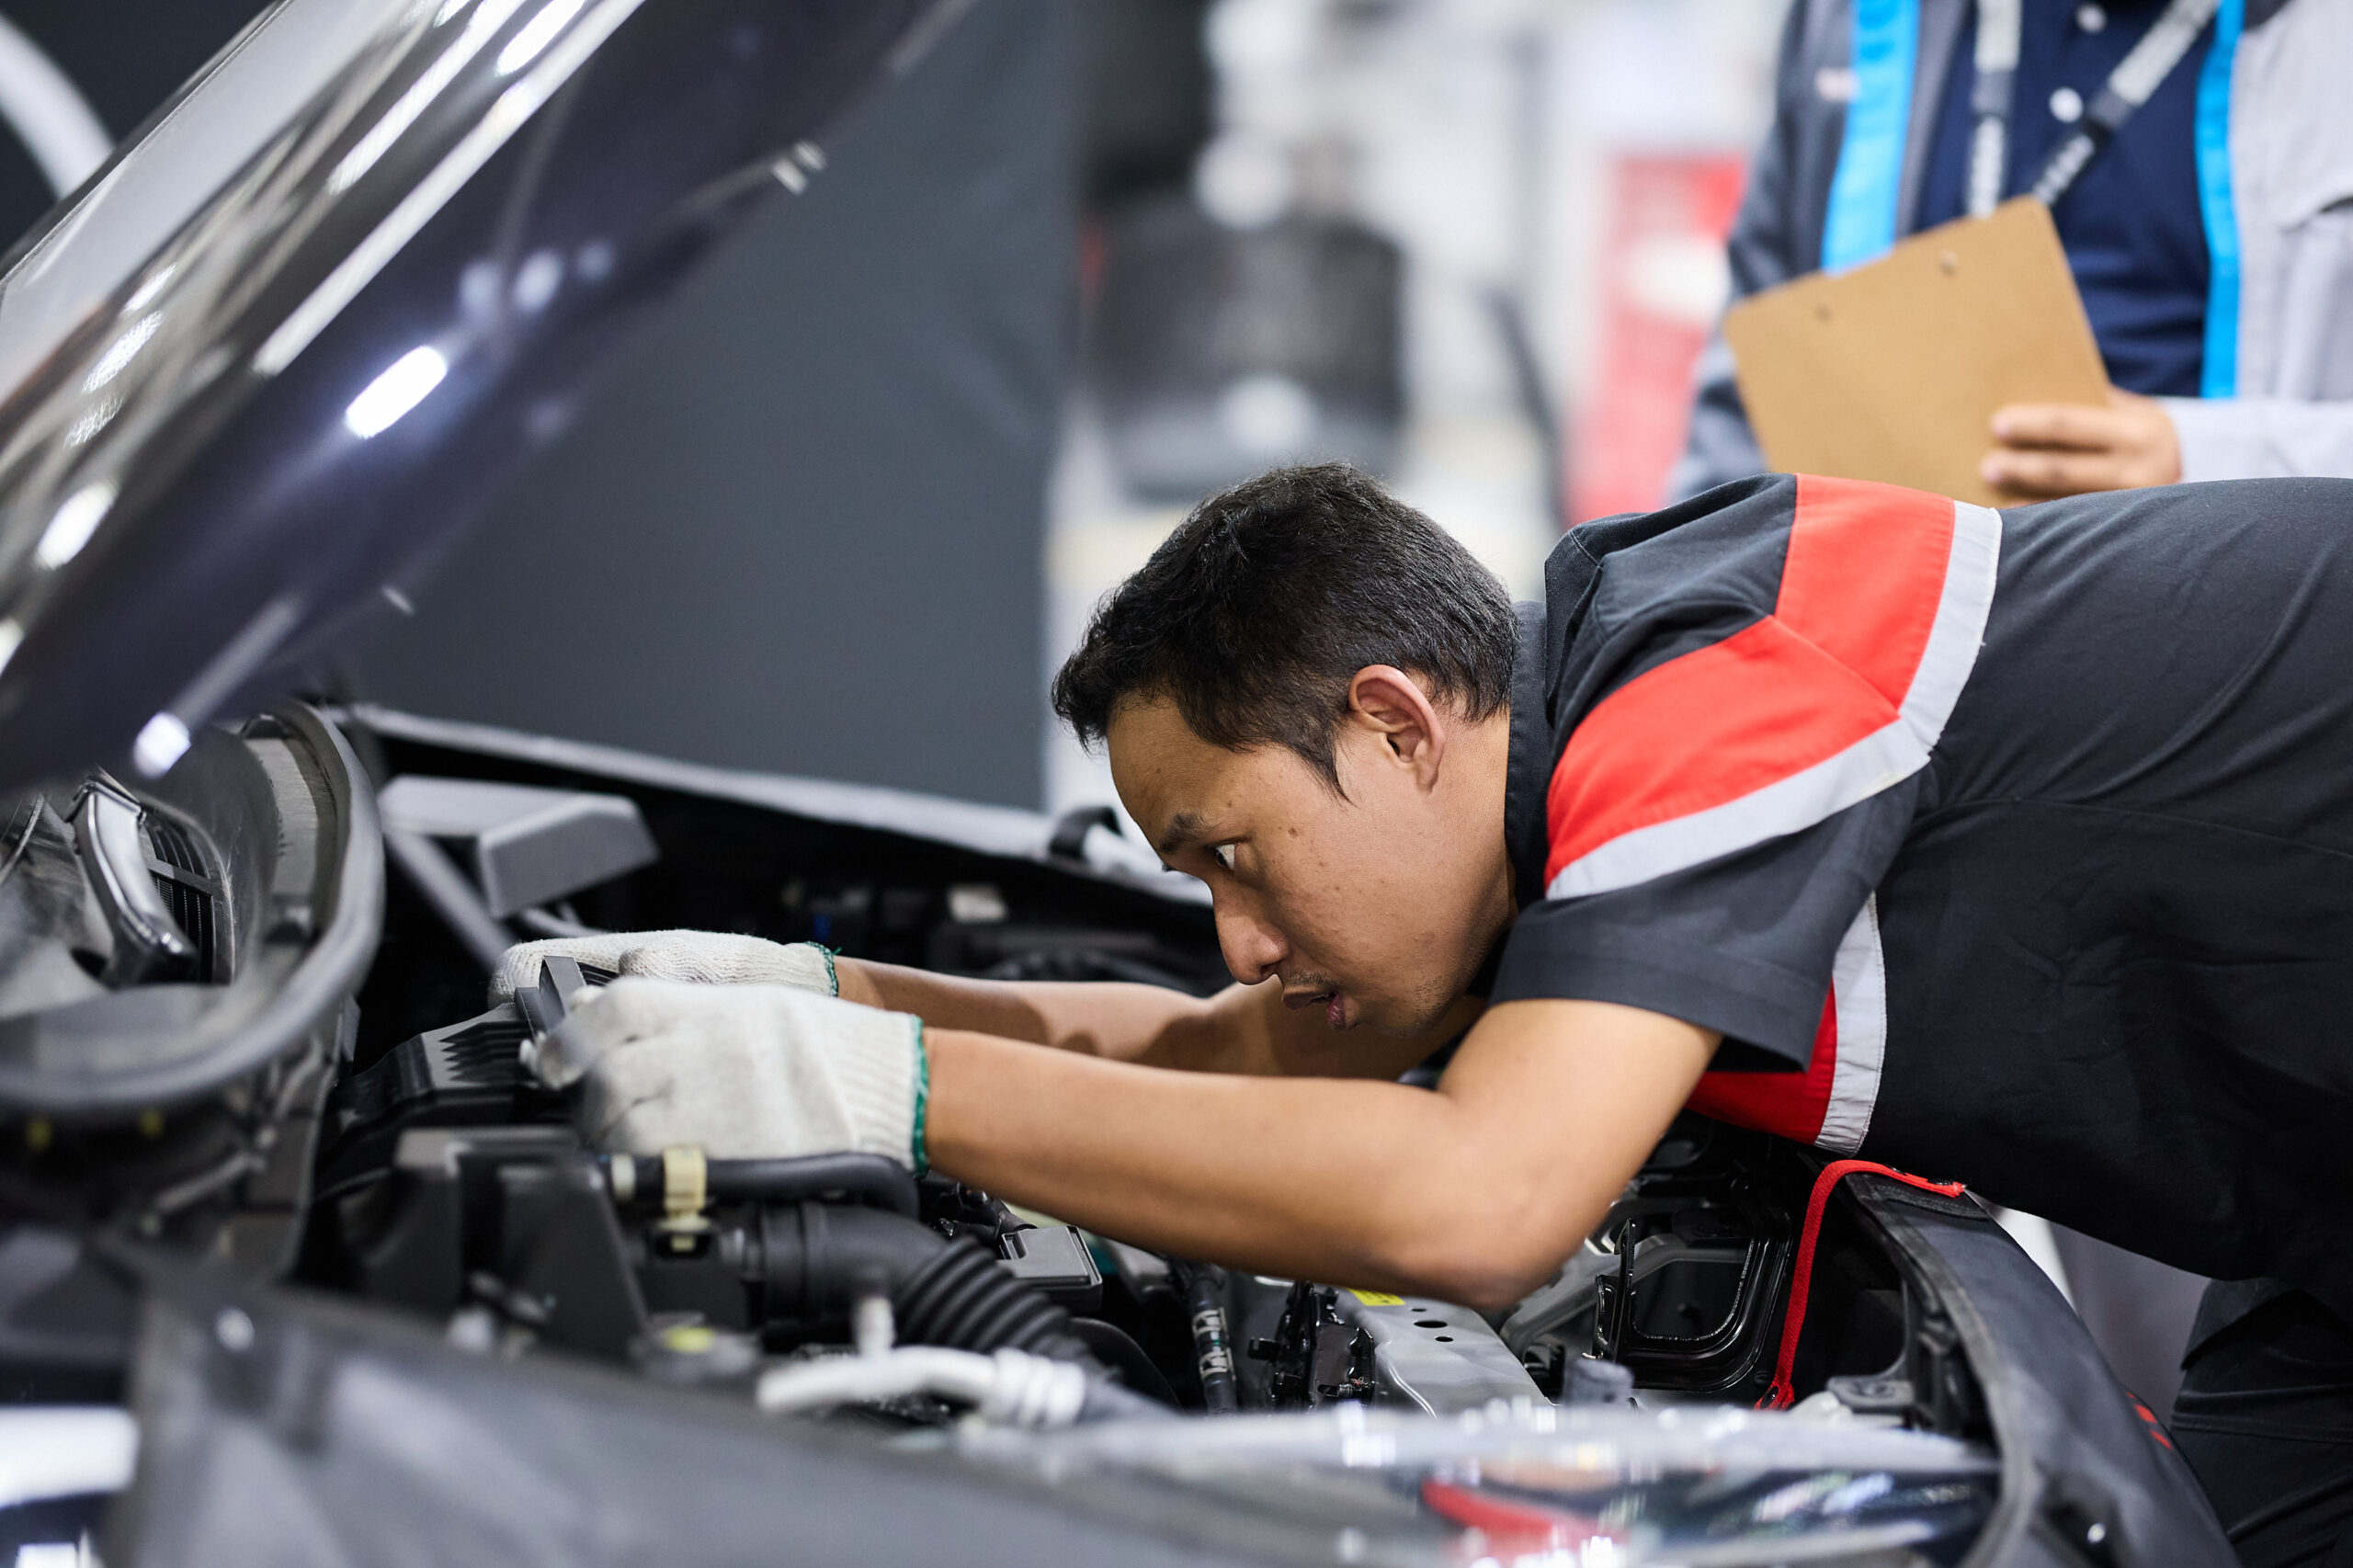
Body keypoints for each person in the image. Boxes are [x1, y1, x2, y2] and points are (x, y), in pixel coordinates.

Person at [525, 464, 2353, 1561]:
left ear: (1396, 723)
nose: (1234, 938)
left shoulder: (1714, 679)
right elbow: (1217, 1053)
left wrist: (874, 1088)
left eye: (1235, 855)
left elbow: (1482, 1202)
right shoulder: (1536, 837)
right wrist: (815, 997)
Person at [1674, 0, 2353, 505]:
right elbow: (1745, 392)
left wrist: (2206, 462)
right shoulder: (1851, 21)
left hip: (2219, 647)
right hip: (1889, 632)